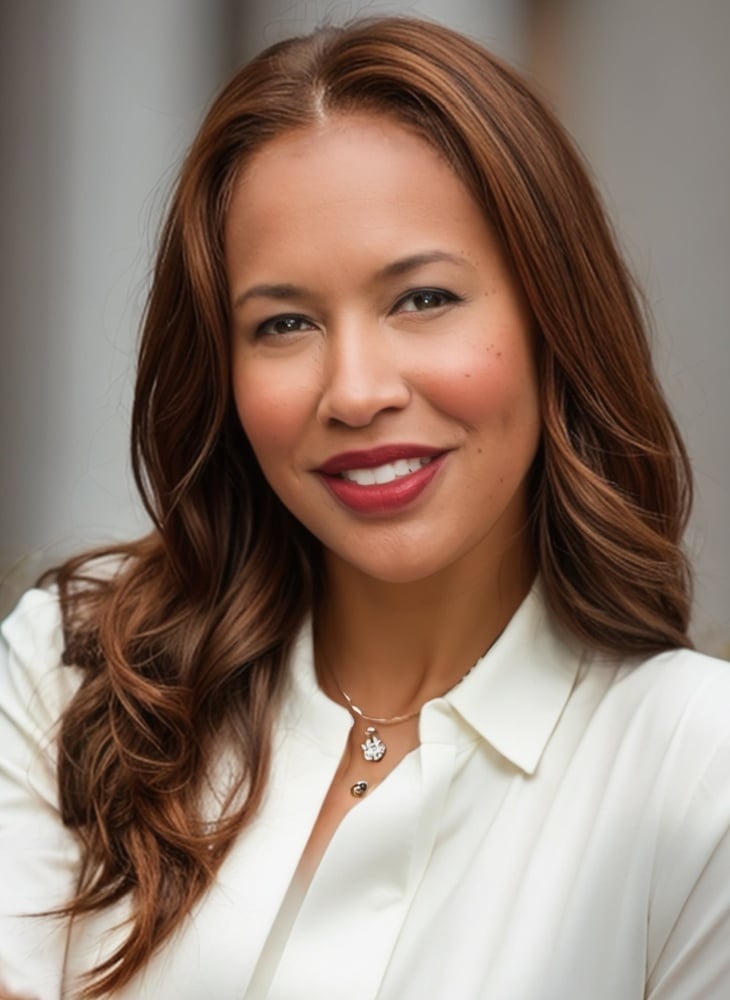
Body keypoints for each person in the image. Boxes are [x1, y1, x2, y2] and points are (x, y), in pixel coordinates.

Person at [1, 15, 728, 1000]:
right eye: (283, 323)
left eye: (422, 299)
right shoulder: (77, 681)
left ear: (553, 315)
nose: (353, 391)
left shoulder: (697, 774)